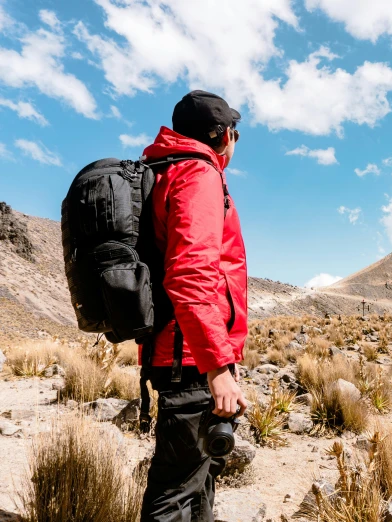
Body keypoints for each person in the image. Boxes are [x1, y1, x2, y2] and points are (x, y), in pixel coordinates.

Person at [139, 90, 249, 522]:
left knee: (198, 477)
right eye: (233, 131)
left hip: (181, 351)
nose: (235, 140)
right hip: (191, 359)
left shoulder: (165, 171)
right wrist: (217, 367)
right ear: (221, 135)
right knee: (175, 490)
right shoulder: (197, 174)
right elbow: (190, 275)